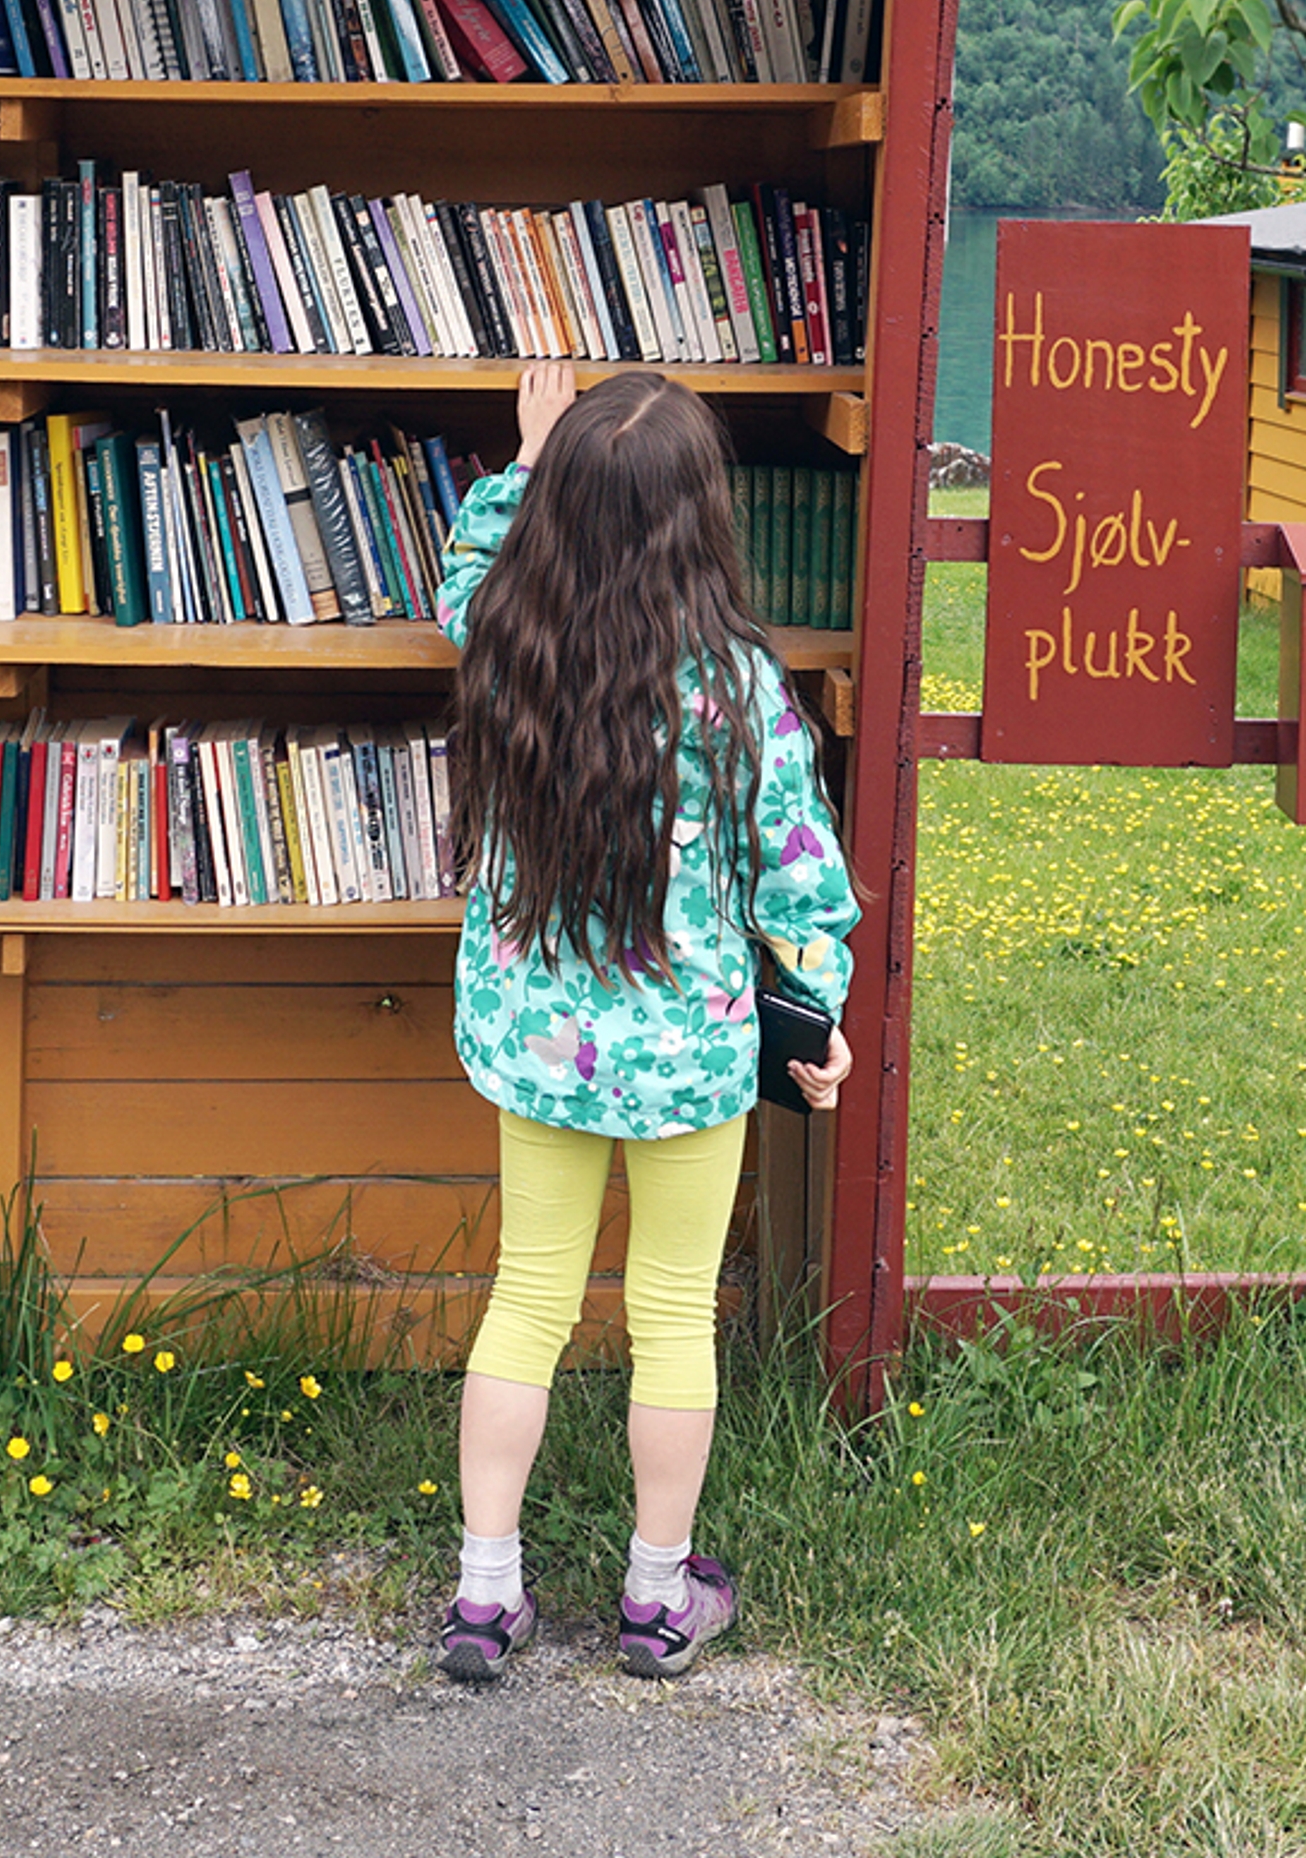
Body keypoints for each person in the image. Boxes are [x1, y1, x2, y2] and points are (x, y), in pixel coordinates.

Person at [432, 363, 858, 1685]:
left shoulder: (505, 636)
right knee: (673, 1315)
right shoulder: (737, 683)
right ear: (699, 518)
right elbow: (798, 882)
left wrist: (520, 458)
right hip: (689, 1058)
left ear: (557, 507)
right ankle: (659, 1599)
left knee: (528, 1302)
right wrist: (819, 1011)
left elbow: (459, 577)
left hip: (538, 1048)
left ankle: (487, 1596)